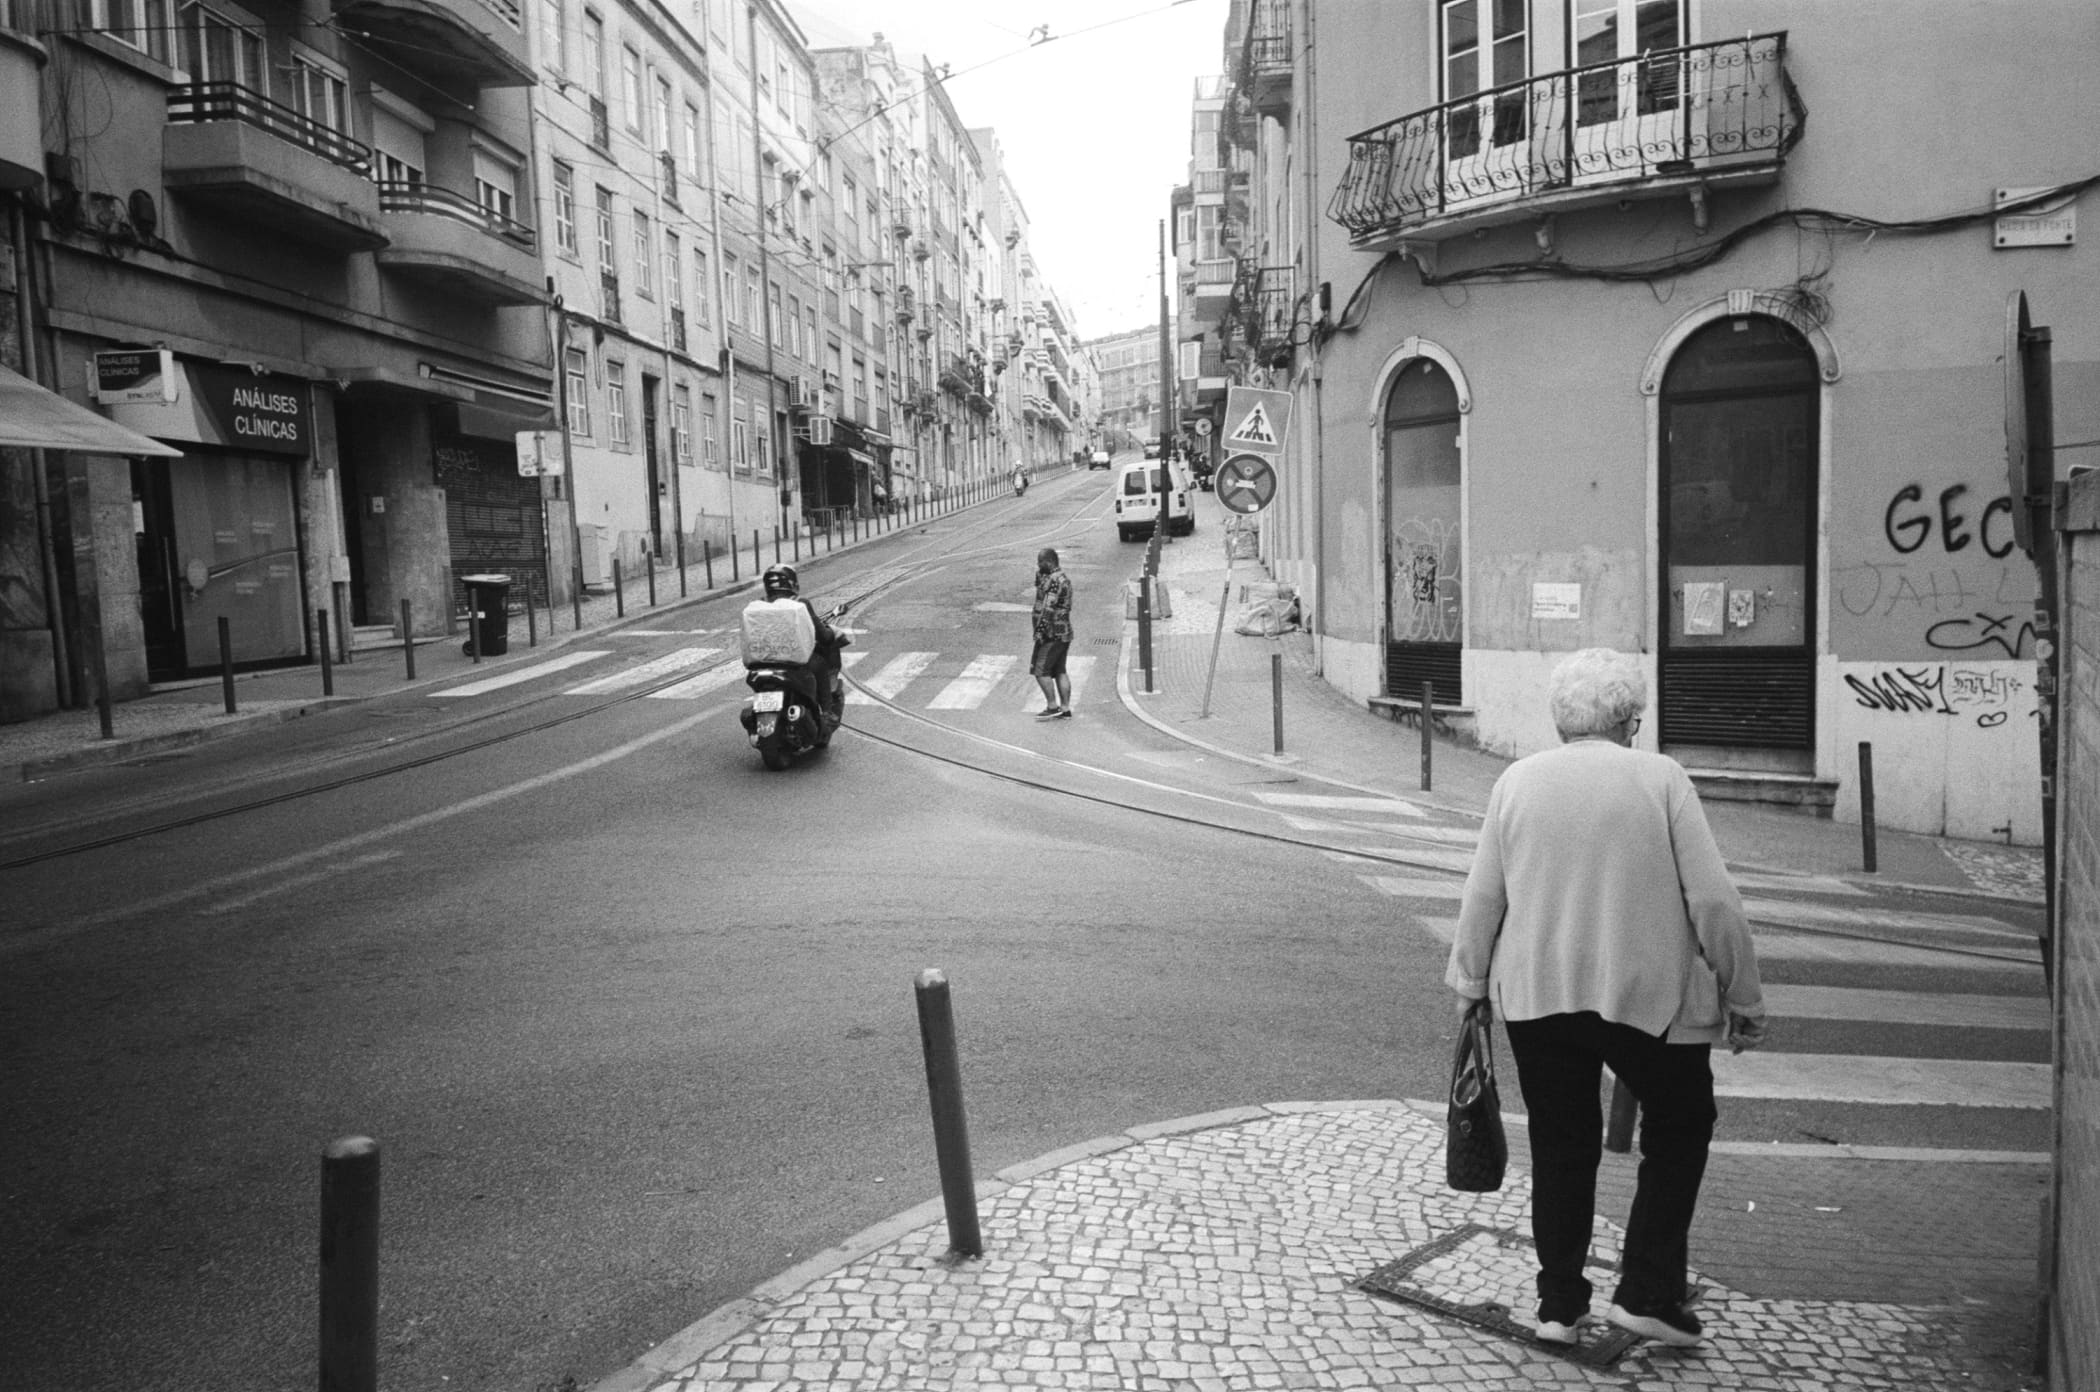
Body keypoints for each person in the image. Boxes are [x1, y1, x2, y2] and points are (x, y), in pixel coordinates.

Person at [1444, 647, 1767, 1351]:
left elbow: (1484, 894)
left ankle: (1559, 1307)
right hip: (1644, 1000)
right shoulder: (1661, 779)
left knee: (1562, 1146)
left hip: (1538, 996)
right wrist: (1743, 993)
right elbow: (1712, 899)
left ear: (1564, 720)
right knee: (1681, 1125)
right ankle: (1646, 1291)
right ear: (1628, 719)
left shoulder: (1517, 782)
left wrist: (1470, 984)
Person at [760, 563, 846, 724]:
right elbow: (824, 636)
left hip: (763, 663)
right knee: (819, 664)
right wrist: (831, 634)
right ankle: (827, 711)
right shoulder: (800, 603)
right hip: (793, 662)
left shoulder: (760, 605)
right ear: (792, 584)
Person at [1030, 547, 1073, 719]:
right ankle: (1065, 708)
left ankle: (1052, 706)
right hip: (1064, 633)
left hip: (1051, 634)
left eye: (1040, 563)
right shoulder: (1062, 578)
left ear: (1048, 562)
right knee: (1060, 671)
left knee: (1040, 670)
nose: (1038, 566)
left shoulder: (1053, 582)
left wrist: (1039, 632)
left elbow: (1048, 608)